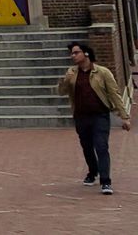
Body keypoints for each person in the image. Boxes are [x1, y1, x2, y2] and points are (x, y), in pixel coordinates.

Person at [56, 42, 131, 195]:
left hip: (99, 116)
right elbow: (61, 92)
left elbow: (114, 94)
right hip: (81, 116)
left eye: (76, 52)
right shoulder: (72, 73)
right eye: (72, 53)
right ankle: (92, 171)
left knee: (101, 146)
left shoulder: (102, 72)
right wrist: (64, 81)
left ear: (86, 53)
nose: (73, 56)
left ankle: (105, 181)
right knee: (87, 147)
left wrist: (124, 116)